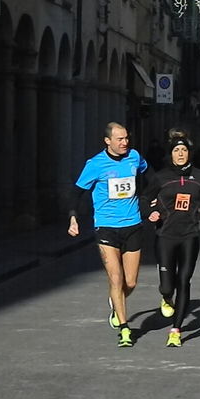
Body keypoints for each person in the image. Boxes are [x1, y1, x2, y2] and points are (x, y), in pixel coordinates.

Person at [68, 122, 153, 347]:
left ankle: (116, 301)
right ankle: (125, 329)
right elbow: (77, 192)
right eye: (119, 139)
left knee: (131, 281)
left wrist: (151, 197)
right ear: (108, 141)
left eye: (126, 138)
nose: (125, 143)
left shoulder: (134, 157)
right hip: (106, 227)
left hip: (133, 224)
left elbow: (149, 173)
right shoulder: (95, 164)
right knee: (116, 278)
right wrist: (73, 217)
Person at [144, 137, 200, 347]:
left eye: (184, 150)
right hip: (165, 236)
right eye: (176, 150)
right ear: (171, 154)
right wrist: (151, 212)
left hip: (189, 235)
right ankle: (167, 298)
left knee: (184, 280)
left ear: (189, 153)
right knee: (167, 286)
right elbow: (143, 198)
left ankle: (175, 330)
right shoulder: (161, 177)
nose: (180, 154)